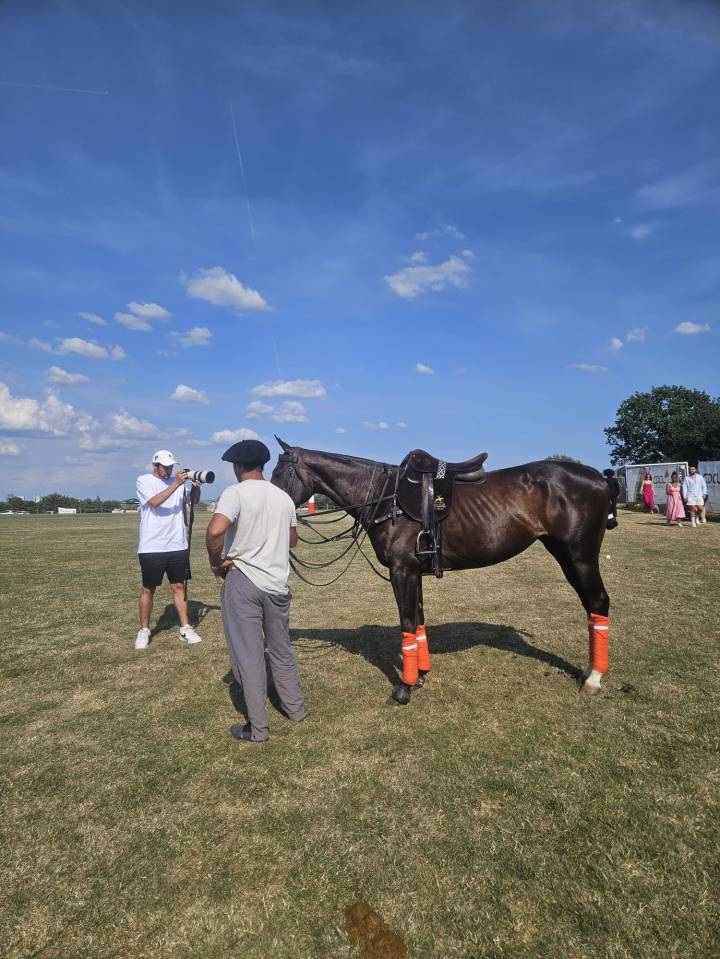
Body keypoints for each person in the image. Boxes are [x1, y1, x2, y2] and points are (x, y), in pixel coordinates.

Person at [206, 439, 306, 743]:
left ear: (238, 467)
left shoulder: (234, 493)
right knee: (281, 649)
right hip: (277, 584)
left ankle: (258, 728)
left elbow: (215, 530)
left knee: (249, 655)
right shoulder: (283, 498)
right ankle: (295, 710)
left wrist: (216, 562)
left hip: (243, 579)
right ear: (262, 466)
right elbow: (292, 541)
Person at [135, 450, 203, 650]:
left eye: (171, 466)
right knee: (149, 588)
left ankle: (185, 628)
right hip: (152, 545)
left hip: (177, 544)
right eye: (165, 466)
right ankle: (144, 630)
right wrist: (176, 484)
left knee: (179, 586)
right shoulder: (144, 480)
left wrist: (196, 488)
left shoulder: (178, 485)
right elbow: (155, 502)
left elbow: (194, 502)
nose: (169, 469)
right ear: (155, 465)